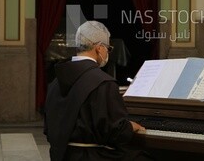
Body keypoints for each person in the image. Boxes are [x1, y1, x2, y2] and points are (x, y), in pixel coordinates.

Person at [44, 20, 153, 161]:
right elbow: (116, 132)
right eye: (108, 48)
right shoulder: (103, 82)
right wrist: (131, 127)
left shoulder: (55, 82)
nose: (108, 52)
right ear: (99, 48)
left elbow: (48, 129)